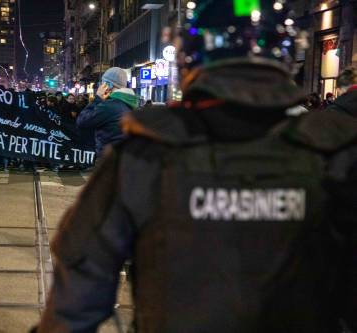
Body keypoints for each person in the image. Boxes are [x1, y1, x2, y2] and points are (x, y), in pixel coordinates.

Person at [33, 1, 357, 332]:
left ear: (190, 56)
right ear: (288, 57)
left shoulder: (144, 155)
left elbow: (77, 296)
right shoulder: (338, 153)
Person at [76, 67, 138, 156]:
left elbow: (82, 121)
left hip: (108, 160)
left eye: (102, 83)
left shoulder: (110, 106)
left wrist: (97, 98)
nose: (100, 86)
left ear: (108, 85)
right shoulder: (130, 103)